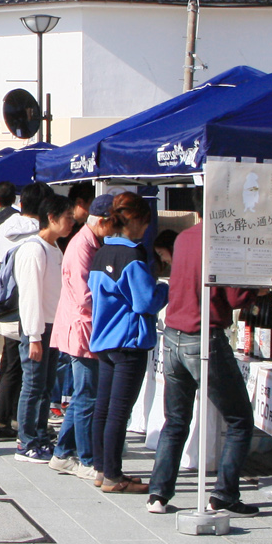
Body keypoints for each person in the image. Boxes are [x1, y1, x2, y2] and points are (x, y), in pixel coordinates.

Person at [147, 208, 259, 517]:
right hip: (204, 335)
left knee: (176, 420)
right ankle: (223, 495)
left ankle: (158, 493)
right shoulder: (223, 240)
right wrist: (258, 288)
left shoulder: (184, 238)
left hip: (172, 335)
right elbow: (236, 298)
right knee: (238, 419)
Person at [86, 193, 167, 494]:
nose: (147, 230)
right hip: (128, 341)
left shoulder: (102, 252)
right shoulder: (132, 256)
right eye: (146, 224)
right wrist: (164, 290)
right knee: (119, 412)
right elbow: (145, 301)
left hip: (105, 339)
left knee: (103, 408)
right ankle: (113, 476)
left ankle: (100, 468)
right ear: (135, 221)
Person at [49, 195, 110, 479]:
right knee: (86, 396)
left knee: (82, 396)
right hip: (81, 327)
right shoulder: (82, 246)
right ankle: (85, 459)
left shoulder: (91, 242)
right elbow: (85, 295)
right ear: (104, 222)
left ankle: (62, 453)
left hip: (83, 326)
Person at [13, 195, 75, 461]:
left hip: (52, 326)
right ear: (51, 218)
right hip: (37, 329)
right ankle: (25, 441)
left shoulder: (55, 248)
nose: (72, 221)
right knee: (33, 385)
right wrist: (35, 336)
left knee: (46, 386)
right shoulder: (33, 249)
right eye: (68, 217)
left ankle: (39, 435)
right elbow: (30, 296)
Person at [0, 192, 46, 441]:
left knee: (8, 364)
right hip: (23, 306)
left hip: (4, 303)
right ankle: (8, 421)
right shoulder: (36, 236)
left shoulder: (2, 229)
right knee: (21, 368)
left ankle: (3, 419)